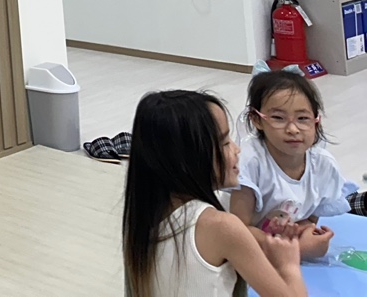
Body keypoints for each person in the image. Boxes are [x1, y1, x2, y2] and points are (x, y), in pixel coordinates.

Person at [122, 89, 307, 297]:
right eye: (225, 142)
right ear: (190, 159)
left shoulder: (143, 216)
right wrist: (288, 265)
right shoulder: (221, 227)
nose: (237, 149)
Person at [228, 70, 356, 256]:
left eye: (303, 118)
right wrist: (297, 249)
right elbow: (237, 231)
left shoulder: (323, 166)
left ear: (316, 121)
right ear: (256, 120)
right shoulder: (250, 162)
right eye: (278, 118)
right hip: (242, 247)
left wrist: (307, 233)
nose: (293, 129)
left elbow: (308, 219)